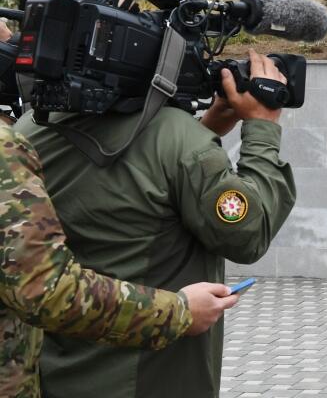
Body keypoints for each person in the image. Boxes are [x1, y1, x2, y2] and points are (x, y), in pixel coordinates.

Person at [13, 50, 296, 398]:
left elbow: (131, 176)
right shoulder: (176, 138)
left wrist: (204, 128)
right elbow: (249, 234)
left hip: (54, 373)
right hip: (152, 376)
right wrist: (263, 127)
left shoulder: (29, 128)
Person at [0, 119, 240, 398]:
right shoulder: (6, 145)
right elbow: (46, 290)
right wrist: (179, 312)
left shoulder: (23, 131)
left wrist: (200, 128)